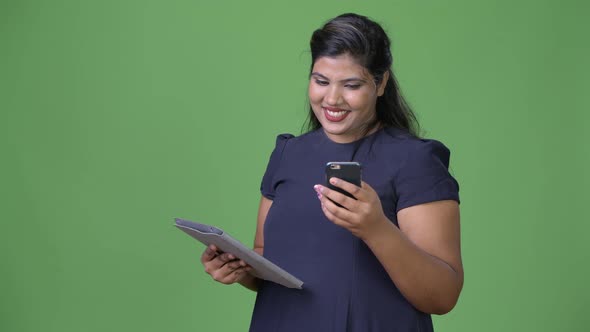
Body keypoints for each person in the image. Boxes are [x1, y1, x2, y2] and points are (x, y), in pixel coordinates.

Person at [200, 13, 463, 332]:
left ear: (380, 83)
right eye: (321, 81)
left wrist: (376, 228)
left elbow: (442, 296)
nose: (332, 99)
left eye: (351, 85)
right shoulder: (288, 153)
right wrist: (240, 269)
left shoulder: (414, 160)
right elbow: (265, 258)